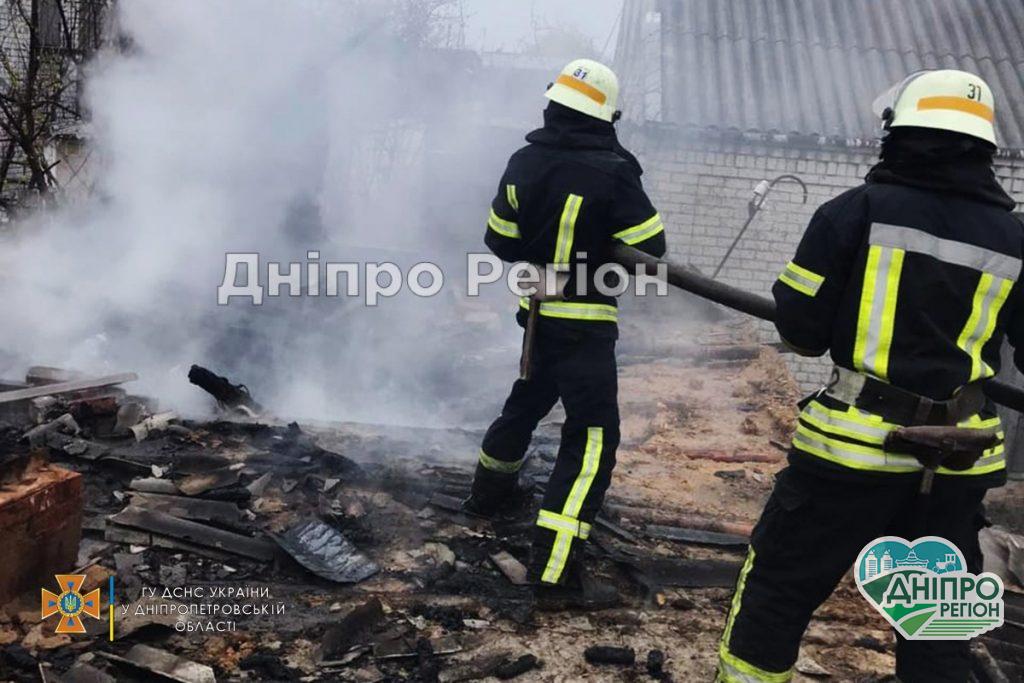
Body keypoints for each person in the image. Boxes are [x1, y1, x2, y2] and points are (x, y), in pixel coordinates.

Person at [716, 69, 1024, 682]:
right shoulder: (1015, 239)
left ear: (899, 132)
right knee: (936, 626)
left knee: (778, 590)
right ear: (984, 147)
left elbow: (800, 329)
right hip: (959, 463)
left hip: (852, 455)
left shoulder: (852, 213)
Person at [462, 58, 667, 608]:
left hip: (538, 317)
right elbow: (651, 249)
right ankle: (553, 572)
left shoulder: (523, 160)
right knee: (594, 438)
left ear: (552, 105)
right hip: (586, 325)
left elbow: (499, 239)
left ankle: (486, 498)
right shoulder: (614, 170)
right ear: (606, 117)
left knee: (525, 405)